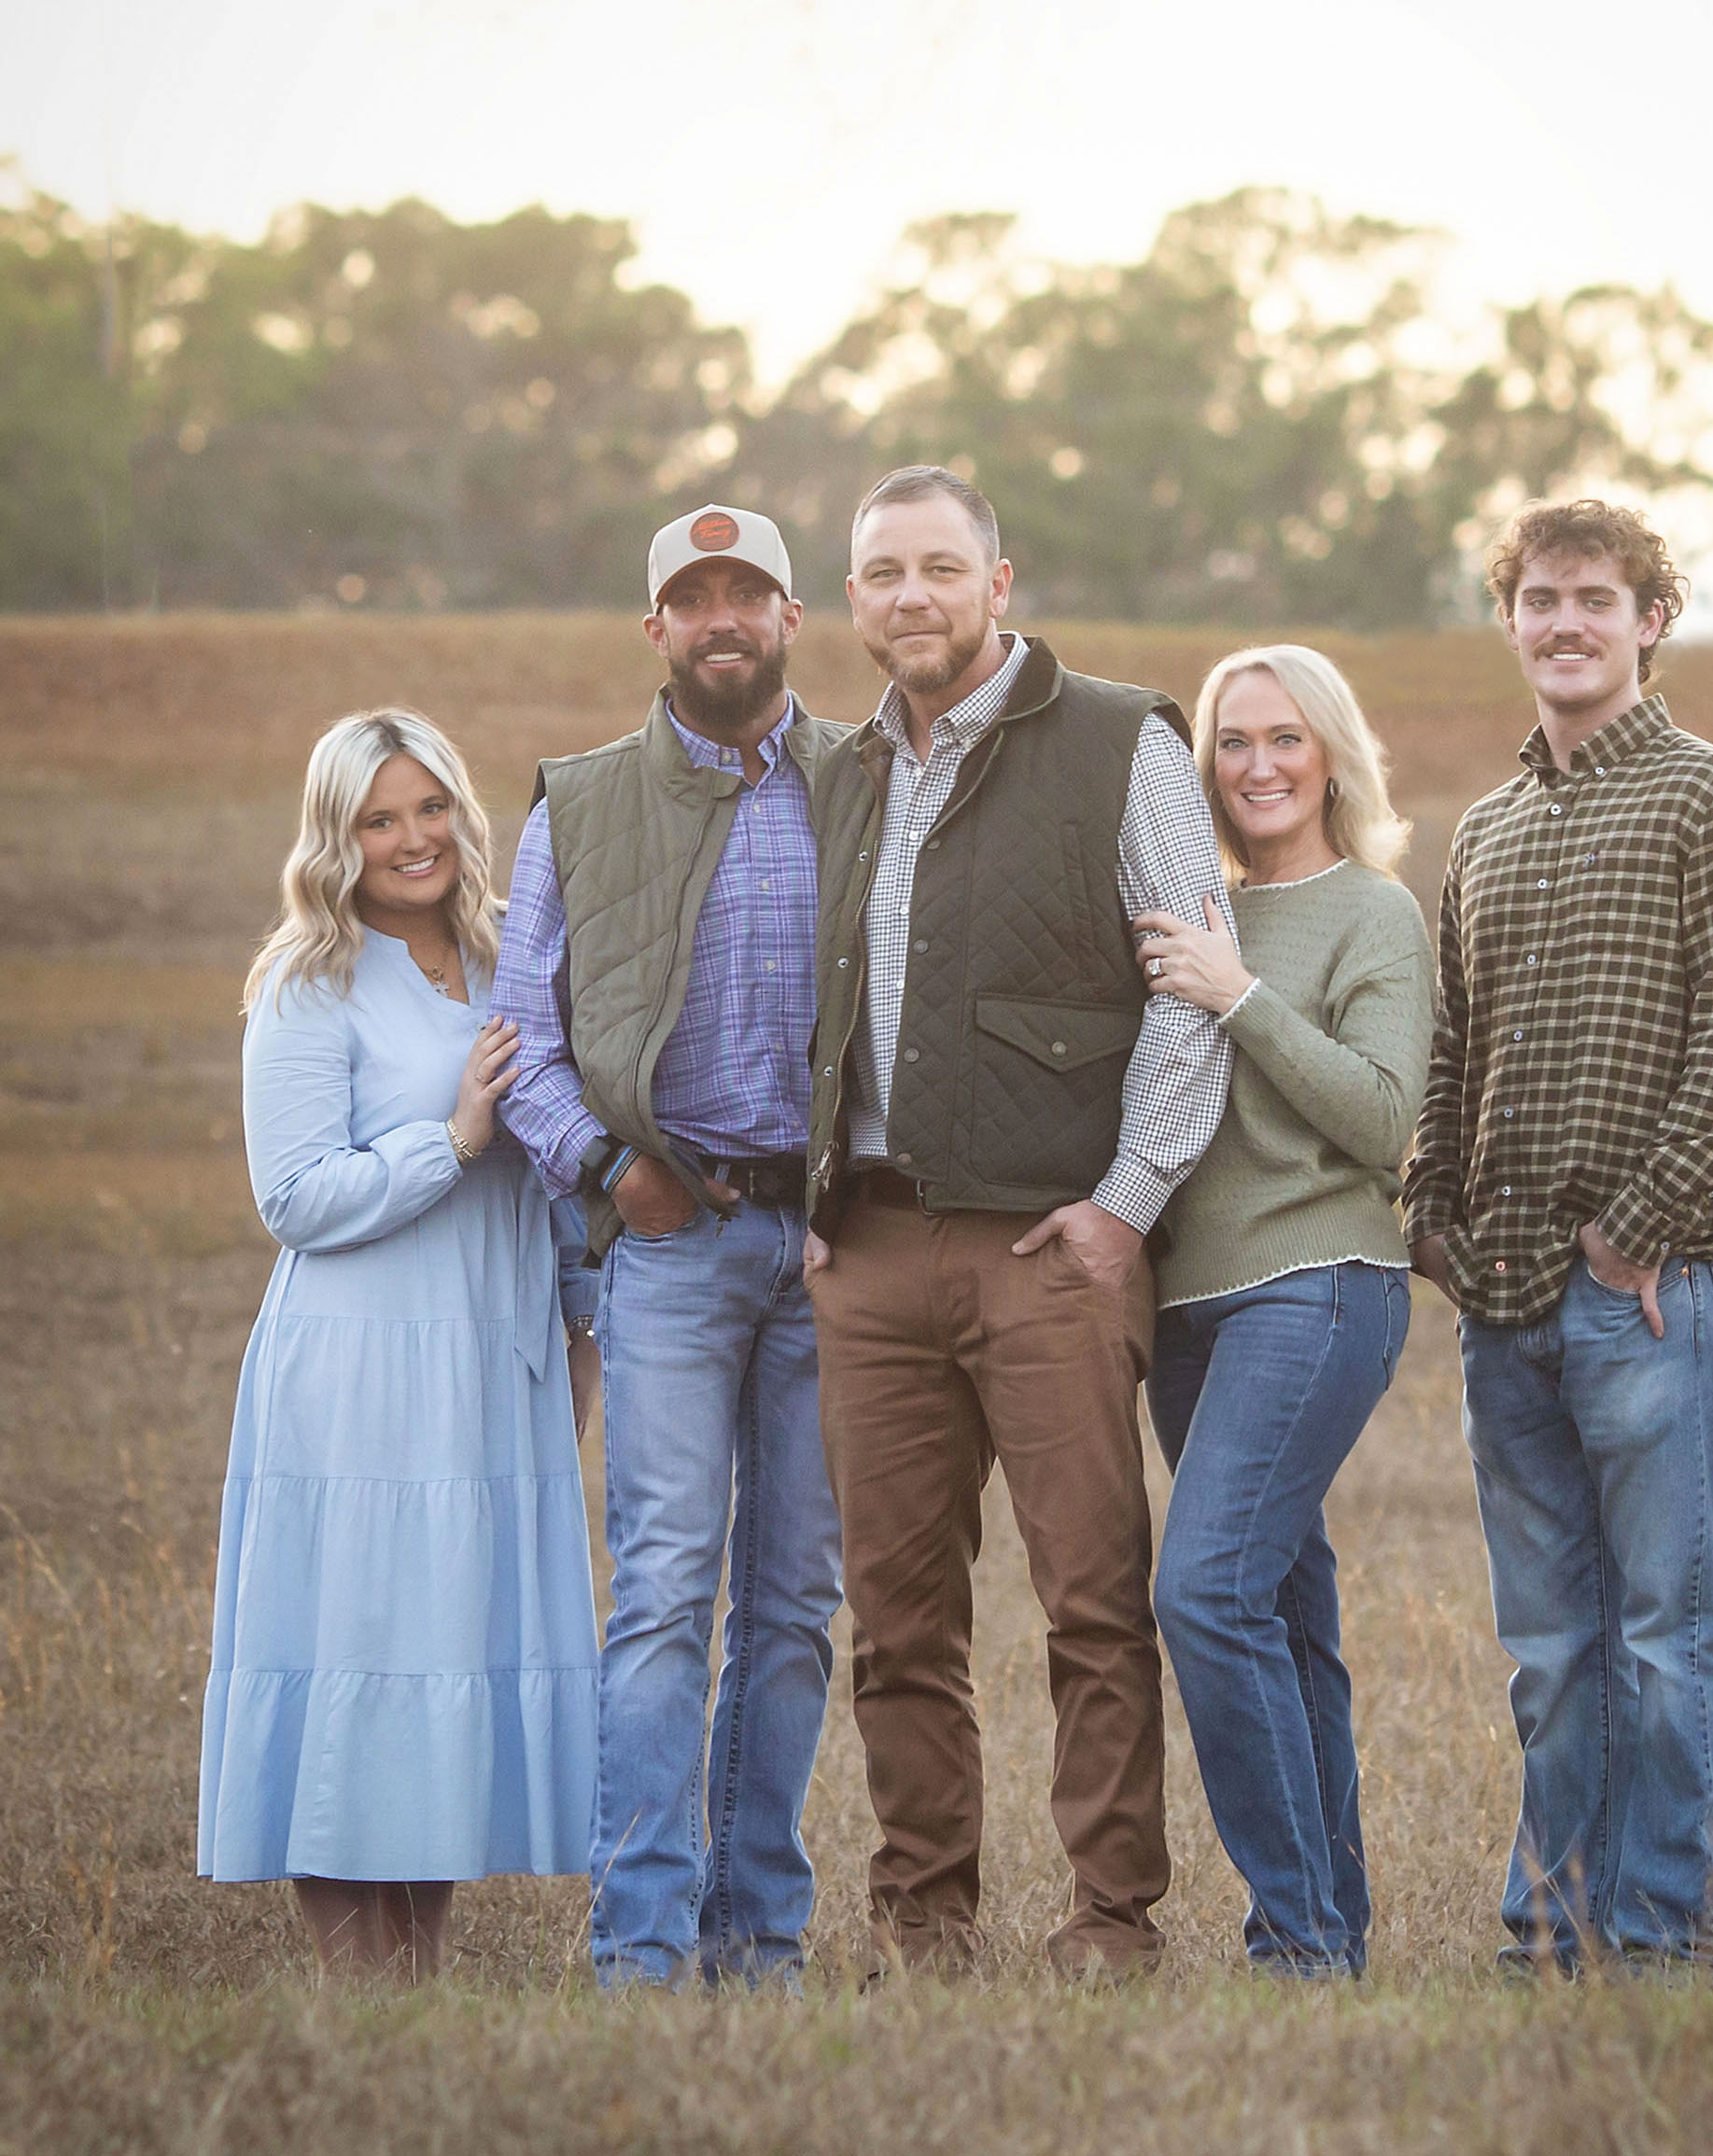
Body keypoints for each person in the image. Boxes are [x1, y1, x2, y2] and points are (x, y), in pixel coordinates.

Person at [801, 465, 1233, 1980]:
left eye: (940, 567)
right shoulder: (840, 770)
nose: (911, 595)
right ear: (854, 600)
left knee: (1093, 1602)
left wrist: (1125, 1207)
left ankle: (1112, 1919)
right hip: (866, 1250)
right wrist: (805, 1181)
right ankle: (923, 1921)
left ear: (998, 583)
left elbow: (1193, 974)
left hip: (1050, 1250)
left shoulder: (1120, 738)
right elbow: (803, 995)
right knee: (895, 1618)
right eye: (883, 573)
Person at [1402, 500, 1713, 1972]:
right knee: (1553, 1651)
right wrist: (1431, 1217)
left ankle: (1668, 1937)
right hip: (1501, 1294)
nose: (1565, 623)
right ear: (1511, 618)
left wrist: (1635, 1235)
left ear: (1651, 620)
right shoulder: (1488, 828)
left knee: (1666, 1633)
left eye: (1595, 599)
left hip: (1651, 1290)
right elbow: (1453, 1045)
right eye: (1541, 599)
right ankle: (1554, 1929)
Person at [492, 505, 846, 1992]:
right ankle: (639, 1949)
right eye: (692, 597)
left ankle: (756, 1940)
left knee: (795, 1602)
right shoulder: (576, 805)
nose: (722, 618)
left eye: (747, 592)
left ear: (790, 615)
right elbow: (520, 1042)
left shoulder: (866, 781)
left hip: (831, 1249)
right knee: (660, 1596)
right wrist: (605, 1165)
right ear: (655, 628)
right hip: (672, 1239)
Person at [199, 709, 599, 1979]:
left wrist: (579, 1329)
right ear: (339, 836)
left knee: (444, 1656)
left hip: (490, 1360)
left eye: (430, 808)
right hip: (362, 1368)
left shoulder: (511, 958)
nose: (412, 838)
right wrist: (457, 1138)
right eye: (379, 818)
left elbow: (564, 1161)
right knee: (359, 1650)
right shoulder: (306, 981)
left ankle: (417, 1983)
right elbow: (294, 1198)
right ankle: (358, 1986)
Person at [1130, 645, 1432, 1980]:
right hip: (1186, 1314)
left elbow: (1382, 1115)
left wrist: (1238, 996)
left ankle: (1293, 1935)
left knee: (1202, 1590)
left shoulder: (1374, 912)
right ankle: (1333, 1938)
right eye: (1233, 742)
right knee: (1285, 1616)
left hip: (1318, 1285)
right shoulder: (1186, 912)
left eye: (1284, 738)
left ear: (1331, 756)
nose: (1258, 765)